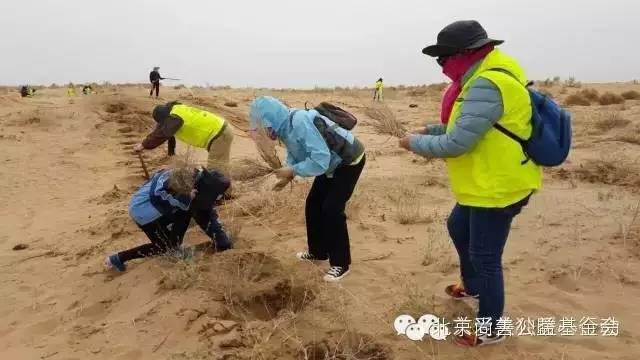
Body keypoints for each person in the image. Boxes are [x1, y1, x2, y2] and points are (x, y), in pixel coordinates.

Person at [398, 20, 542, 347]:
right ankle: (474, 288)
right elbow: (472, 126)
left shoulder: (486, 83)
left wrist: (413, 144)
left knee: (485, 257)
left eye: (443, 58)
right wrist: (428, 130)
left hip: (499, 186)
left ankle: (491, 329)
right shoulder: (483, 75)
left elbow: (457, 143)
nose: (442, 67)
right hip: (485, 182)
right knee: (457, 225)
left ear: (466, 53)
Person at [249, 96, 366, 282]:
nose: (265, 132)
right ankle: (318, 252)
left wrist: (293, 170)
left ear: (273, 119)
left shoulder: (299, 122)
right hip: (330, 165)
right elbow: (295, 152)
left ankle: (341, 264)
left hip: (348, 162)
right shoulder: (285, 128)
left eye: (265, 127)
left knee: (331, 210)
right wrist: (289, 175)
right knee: (313, 205)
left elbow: (320, 160)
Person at [105, 166, 232, 272]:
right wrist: (185, 198)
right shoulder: (184, 182)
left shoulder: (197, 181)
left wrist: (223, 242)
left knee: (163, 246)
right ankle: (174, 248)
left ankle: (117, 259)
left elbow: (208, 216)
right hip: (144, 210)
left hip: (146, 207)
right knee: (170, 240)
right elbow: (159, 191)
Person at [133, 101, 234, 177]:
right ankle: (225, 193)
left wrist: (143, 145)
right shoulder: (176, 110)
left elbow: (162, 134)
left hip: (219, 134)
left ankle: (221, 196)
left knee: (215, 170)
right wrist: (171, 153)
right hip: (220, 130)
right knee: (220, 166)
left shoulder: (174, 119)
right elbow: (167, 133)